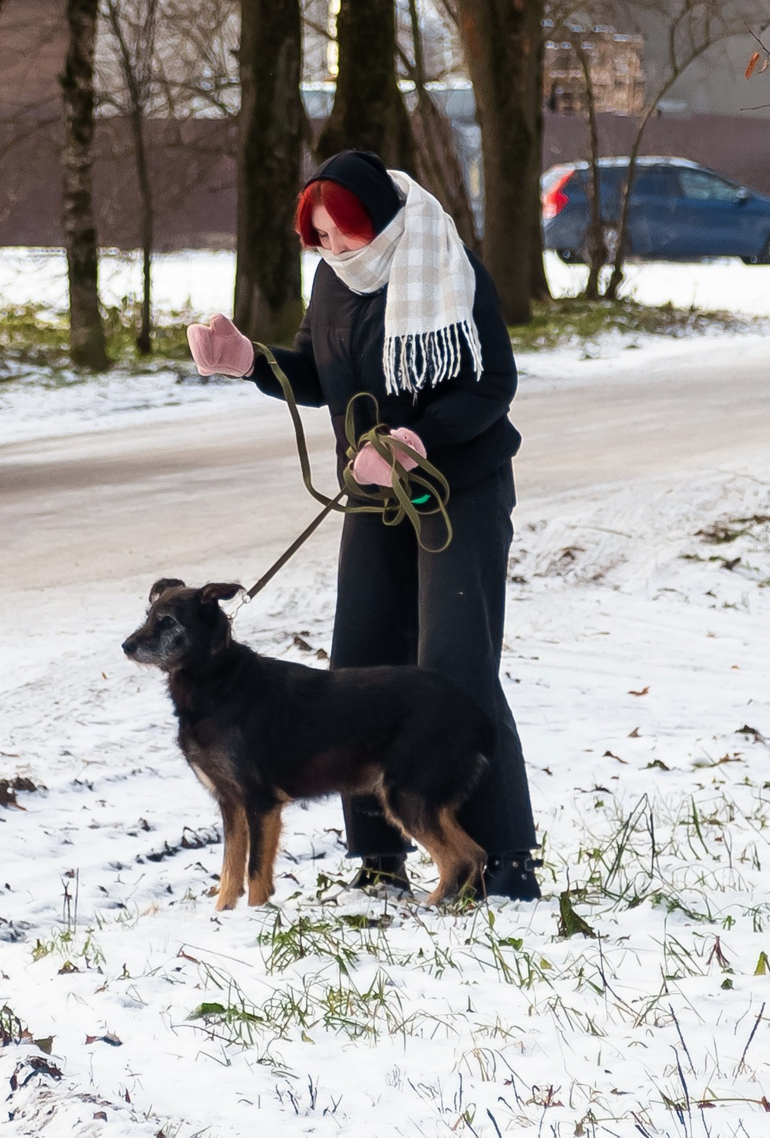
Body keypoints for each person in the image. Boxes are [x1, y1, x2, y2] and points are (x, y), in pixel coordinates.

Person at [186, 150, 539, 900]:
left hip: (456, 489)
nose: (334, 251)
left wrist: (418, 439)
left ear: (377, 220)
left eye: (342, 234)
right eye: (318, 238)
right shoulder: (334, 282)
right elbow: (318, 372)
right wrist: (249, 359)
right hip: (374, 493)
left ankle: (504, 855)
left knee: (454, 667)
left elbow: (493, 382)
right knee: (360, 663)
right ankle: (379, 856)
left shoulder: (446, 264)